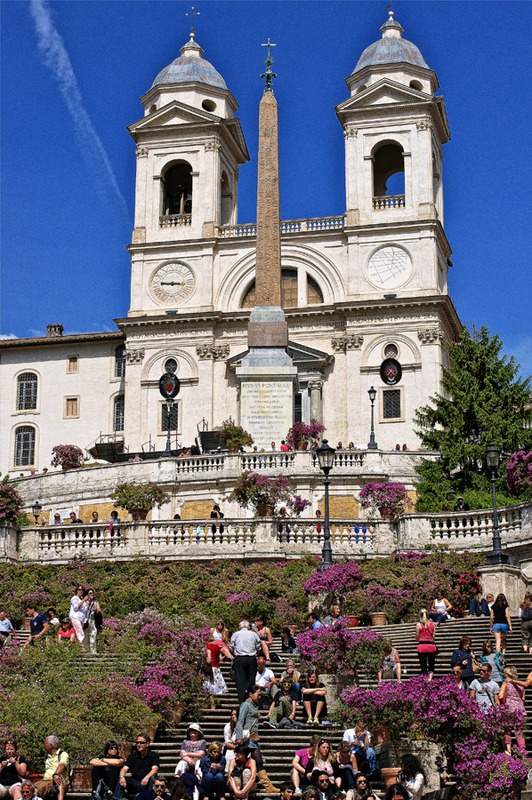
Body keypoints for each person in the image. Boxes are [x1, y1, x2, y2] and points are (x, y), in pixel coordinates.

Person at [114, 734, 159, 799]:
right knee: (120, 779)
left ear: (147, 744)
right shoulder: (133, 756)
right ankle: (116, 798)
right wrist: (121, 777)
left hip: (148, 783)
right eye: (137, 743)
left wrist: (147, 777)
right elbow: (124, 769)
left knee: (152, 778)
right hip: (136, 783)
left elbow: (155, 769)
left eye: (141, 743)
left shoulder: (154, 755)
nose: (138, 745)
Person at [229, 621, 261, 704]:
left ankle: (242, 700)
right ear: (249, 627)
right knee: (251, 680)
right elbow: (258, 648)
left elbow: (231, 648)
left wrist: (235, 656)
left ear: (240, 627)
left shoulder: (235, 634)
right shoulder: (254, 634)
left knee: (240, 681)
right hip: (251, 658)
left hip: (240, 658)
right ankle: (250, 699)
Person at [499, 667, 526, 752]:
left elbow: (500, 696)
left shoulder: (505, 684)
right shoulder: (520, 685)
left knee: (507, 730)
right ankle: (522, 750)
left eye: (504, 673)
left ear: (507, 674)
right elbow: (523, 699)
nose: (503, 674)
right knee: (519, 732)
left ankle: (508, 751)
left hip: (509, 709)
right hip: (519, 709)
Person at [34, 736, 69, 800]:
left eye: (45, 743)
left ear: (50, 745)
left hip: (60, 781)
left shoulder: (63, 754)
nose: (44, 745)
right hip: (46, 781)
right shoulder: (46, 756)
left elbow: (62, 765)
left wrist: (55, 774)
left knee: (59, 781)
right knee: (34, 789)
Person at [203, 633, 229, 708]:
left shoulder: (208, 647)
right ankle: (212, 704)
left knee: (209, 687)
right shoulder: (217, 647)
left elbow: (209, 660)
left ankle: (212, 706)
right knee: (213, 687)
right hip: (217, 668)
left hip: (211, 669)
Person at [416, 609, 437, 681]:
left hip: (422, 646)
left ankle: (425, 679)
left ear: (420, 615)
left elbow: (417, 638)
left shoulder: (419, 624)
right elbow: (434, 637)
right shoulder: (433, 624)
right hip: (431, 646)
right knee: (431, 665)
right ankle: (430, 679)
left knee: (423, 665)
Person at [85, 589, 103, 655]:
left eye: (92, 593)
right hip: (85, 621)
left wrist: (96, 610)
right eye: (90, 593)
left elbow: (98, 611)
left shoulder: (95, 603)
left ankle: (93, 652)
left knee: (93, 635)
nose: (92, 594)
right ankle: (85, 651)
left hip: (92, 621)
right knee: (85, 636)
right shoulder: (84, 602)